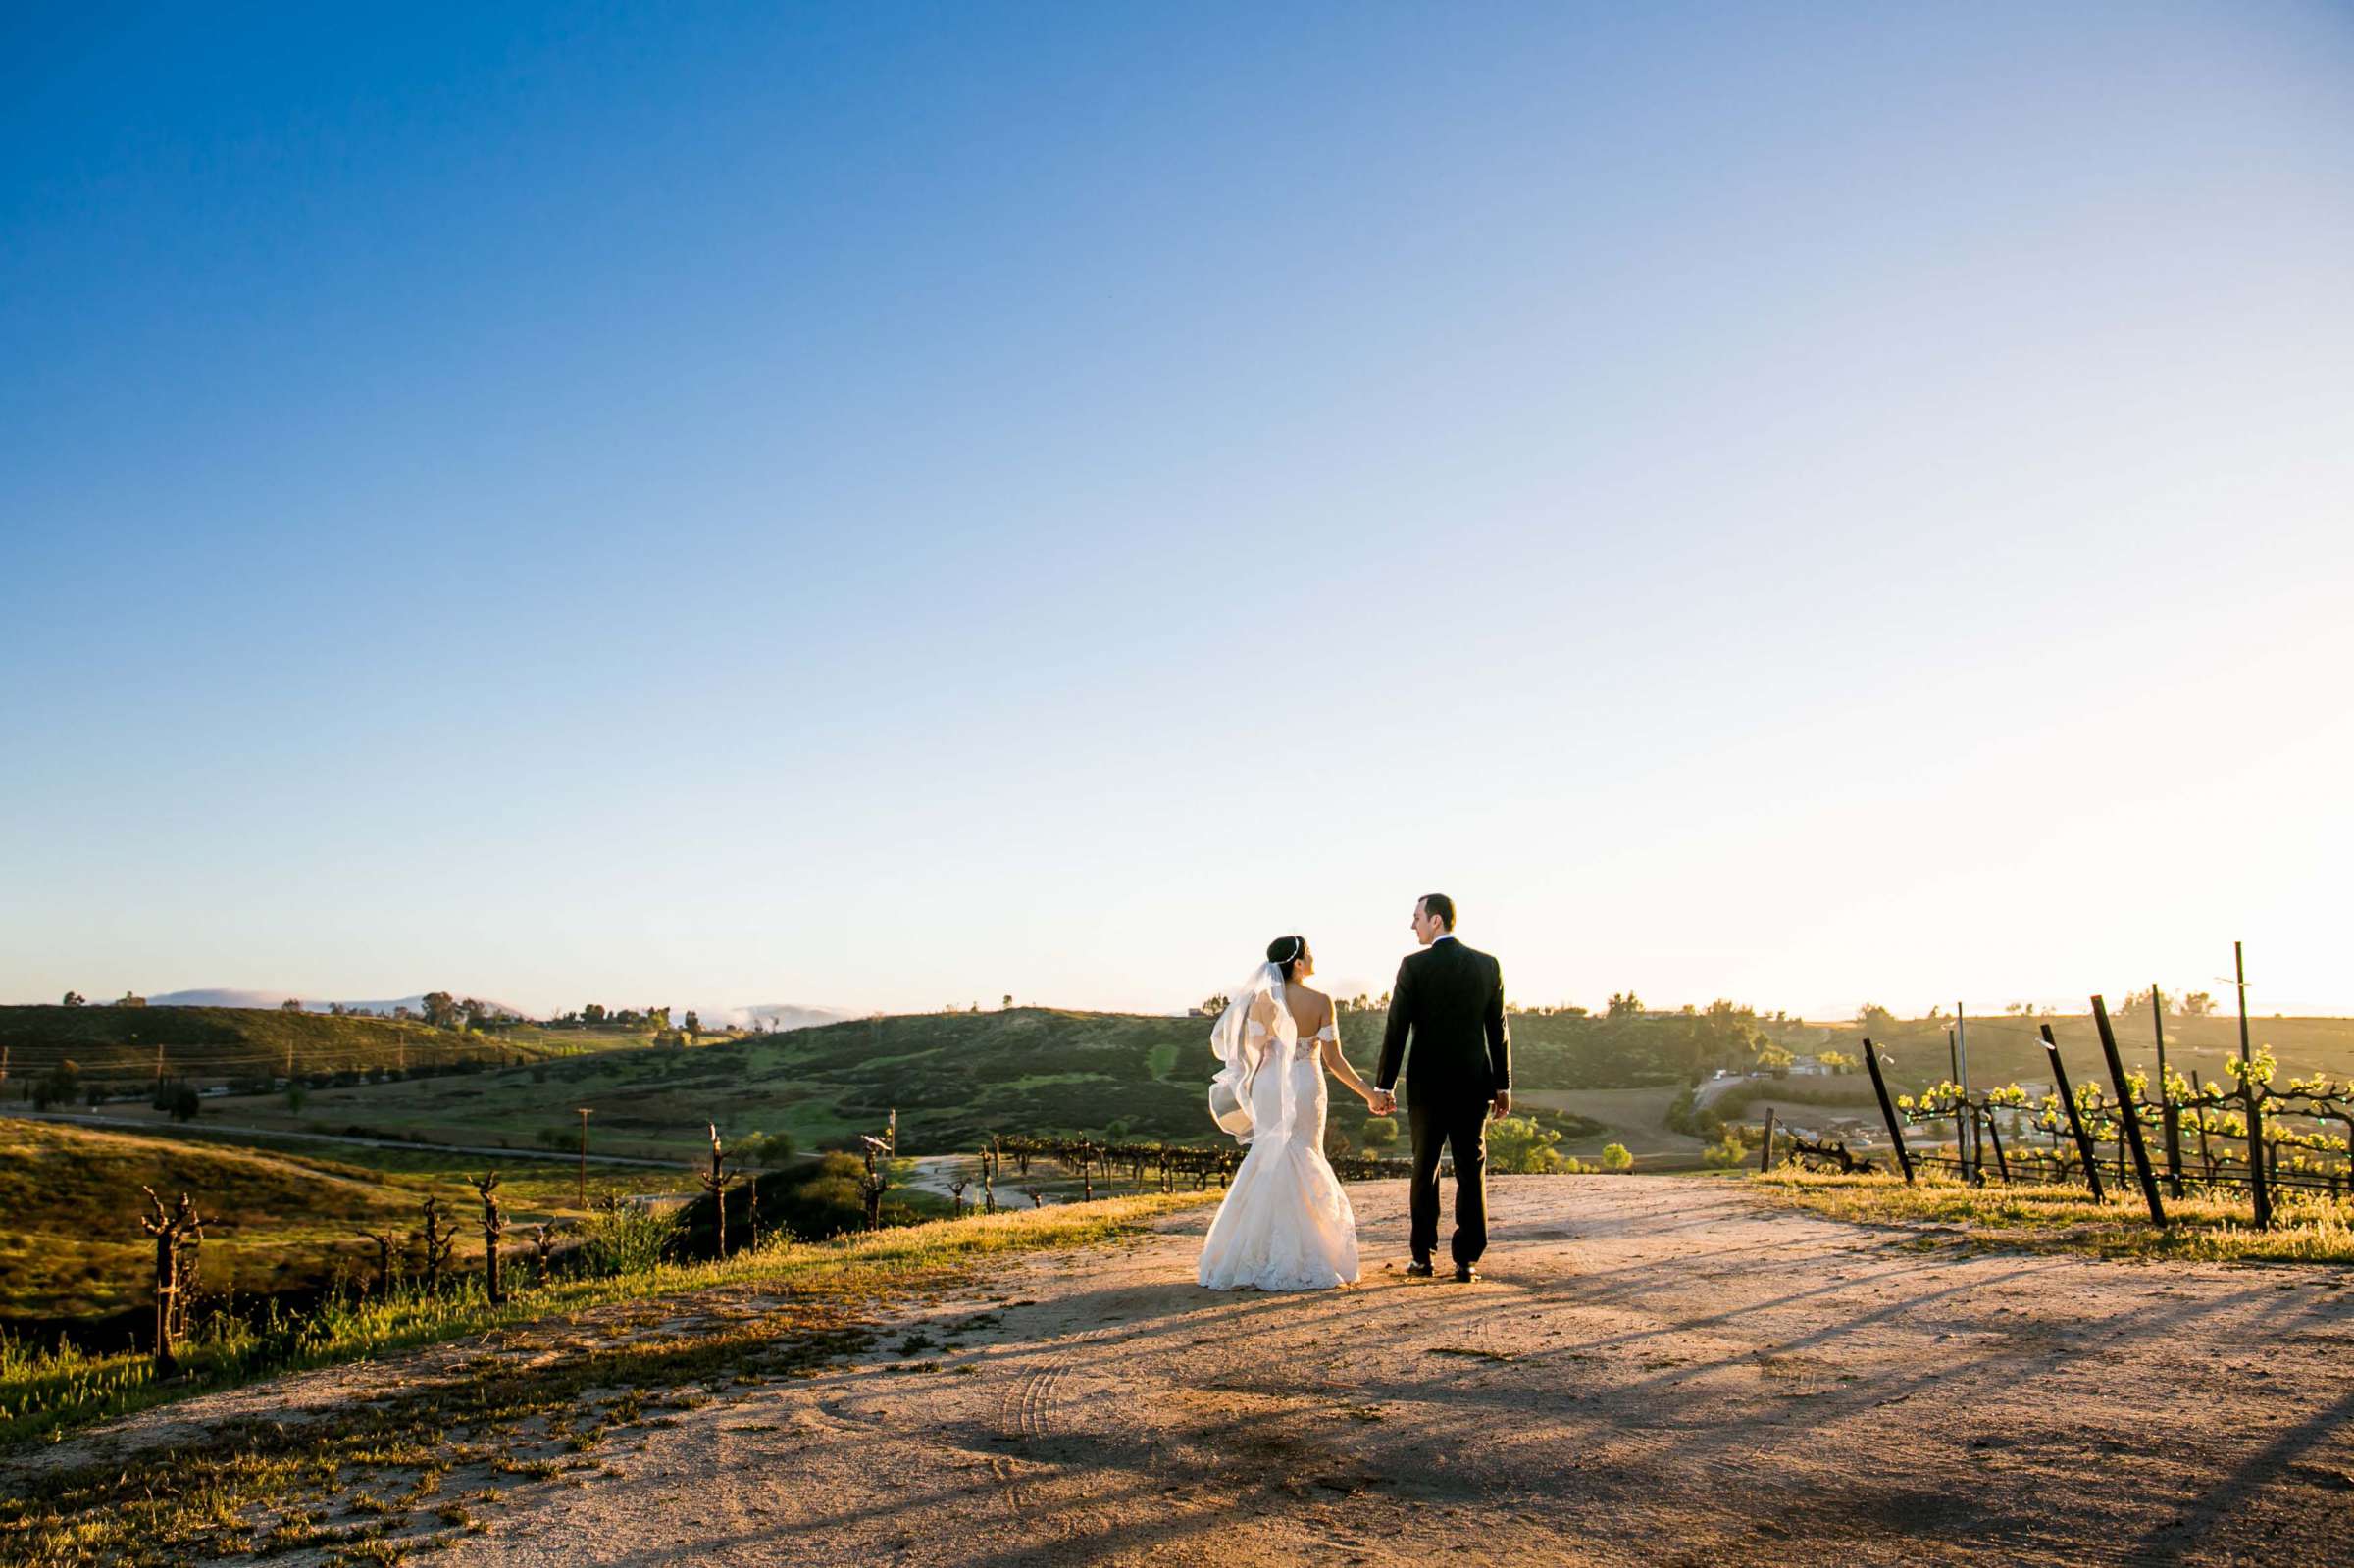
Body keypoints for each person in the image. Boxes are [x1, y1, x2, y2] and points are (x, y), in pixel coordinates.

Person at [1197, 935, 1381, 1290]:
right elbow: (1334, 1060)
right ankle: (1309, 1251)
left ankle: (1253, 1255)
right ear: (1297, 963)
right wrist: (1368, 1093)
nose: (1314, 959)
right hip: (1306, 1084)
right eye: (1309, 954)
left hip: (1269, 1085)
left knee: (1270, 1157)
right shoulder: (1322, 1001)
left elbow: (1253, 1054)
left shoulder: (1261, 1002)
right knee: (1306, 1155)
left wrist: (1258, 1083)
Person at [1373, 892, 1510, 1282]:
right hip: (1472, 1086)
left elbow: (1396, 1029)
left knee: (1425, 1168)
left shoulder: (1414, 967)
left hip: (1427, 1087)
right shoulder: (1487, 966)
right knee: (1472, 1170)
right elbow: (1497, 1030)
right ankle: (1466, 1261)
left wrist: (1384, 1084)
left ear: (1436, 921)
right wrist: (1503, 1085)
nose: (1412, 924)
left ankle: (1422, 1257)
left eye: (1417, 916)